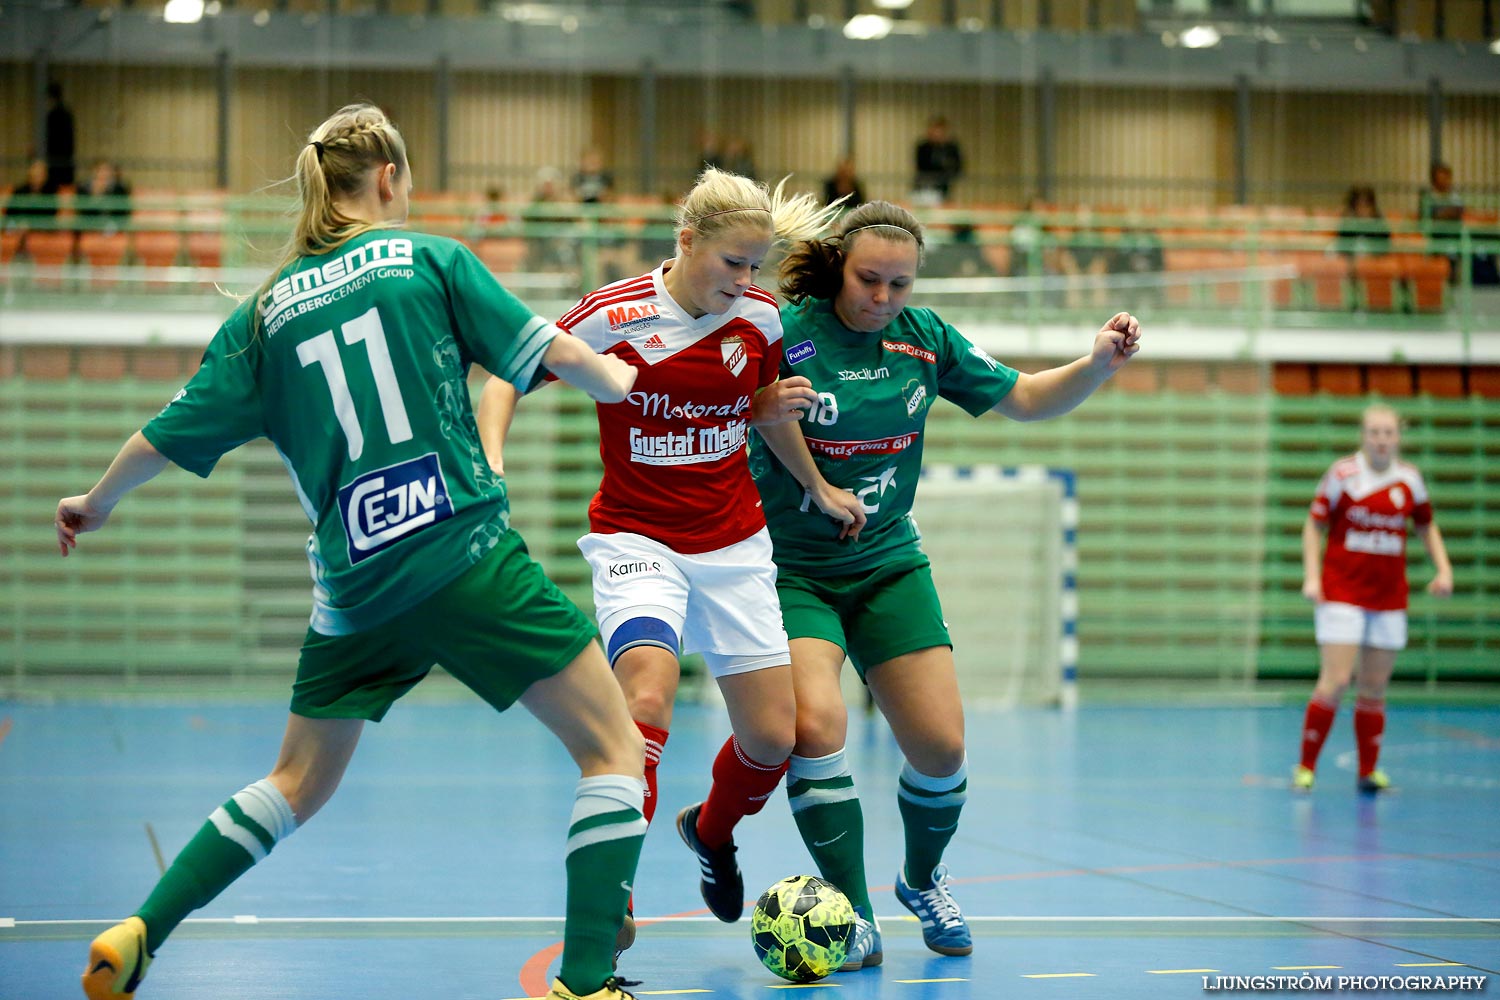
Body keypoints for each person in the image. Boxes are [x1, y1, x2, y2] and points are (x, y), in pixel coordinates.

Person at [59, 103, 648, 1000]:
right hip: (464, 555)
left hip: (354, 590)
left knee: (293, 780)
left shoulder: (263, 318)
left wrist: (94, 502)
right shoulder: (430, 259)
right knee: (612, 748)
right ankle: (585, 980)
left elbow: (162, 435)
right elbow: (561, 355)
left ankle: (144, 928)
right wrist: (630, 377)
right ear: (387, 179)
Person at [477, 168, 867, 944]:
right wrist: (490, 464)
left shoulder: (761, 319)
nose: (746, 280)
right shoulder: (611, 315)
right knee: (645, 700)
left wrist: (818, 487)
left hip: (733, 543)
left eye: (756, 266)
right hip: (636, 537)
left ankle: (712, 830)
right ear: (687, 242)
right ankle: (614, 889)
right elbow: (503, 376)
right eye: (732, 263)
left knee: (772, 739)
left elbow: (760, 411)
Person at [754, 199, 1140, 970]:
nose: (883, 297)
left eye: (900, 284)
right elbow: (735, 415)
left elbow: (1027, 399)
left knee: (940, 748)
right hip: (792, 568)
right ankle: (852, 917)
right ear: (841, 266)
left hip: (889, 561)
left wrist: (1096, 363)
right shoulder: (782, 332)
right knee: (817, 727)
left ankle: (921, 879)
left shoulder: (923, 341)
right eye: (870, 279)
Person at [1293, 404, 1452, 795]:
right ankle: (1306, 767)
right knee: (1336, 681)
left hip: (1388, 598)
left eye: (1388, 433)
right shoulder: (1342, 476)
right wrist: (1313, 577)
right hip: (1342, 593)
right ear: (1363, 436)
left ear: (1399, 436)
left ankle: (1367, 772)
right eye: (1374, 433)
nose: (1382, 440)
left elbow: (1426, 527)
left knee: (1374, 687)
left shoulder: (1410, 481)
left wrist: (1444, 570)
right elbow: (1313, 527)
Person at [913, 116, 962, 205]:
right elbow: (921, 166)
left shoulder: (950, 147)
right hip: (924, 187)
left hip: (943, 187)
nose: (936, 133)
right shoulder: (923, 147)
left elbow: (958, 166)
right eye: (934, 129)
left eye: (939, 130)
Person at [77, 160, 133, 232]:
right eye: (100, 170)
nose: (104, 174)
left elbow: (124, 210)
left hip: (113, 223)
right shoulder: (84, 188)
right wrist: (96, 195)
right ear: (94, 172)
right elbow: (82, 212)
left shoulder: (119, 188)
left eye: (107, 171)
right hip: (90, 223)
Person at [1336, 185, 1391, 258]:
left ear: (1372, 207)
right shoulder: (1348, 223)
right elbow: (1342, 246)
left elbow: (1384, 247)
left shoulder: (1379, 224)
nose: (1362, 209)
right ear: (1354, 207)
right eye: (1359, 205)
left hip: (1374, 262)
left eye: (1366, 205)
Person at [45, 82, 77, 189]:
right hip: (62, 164)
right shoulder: (65, 113)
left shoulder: (56, 115)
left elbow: (55, 141)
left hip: (58, 165)